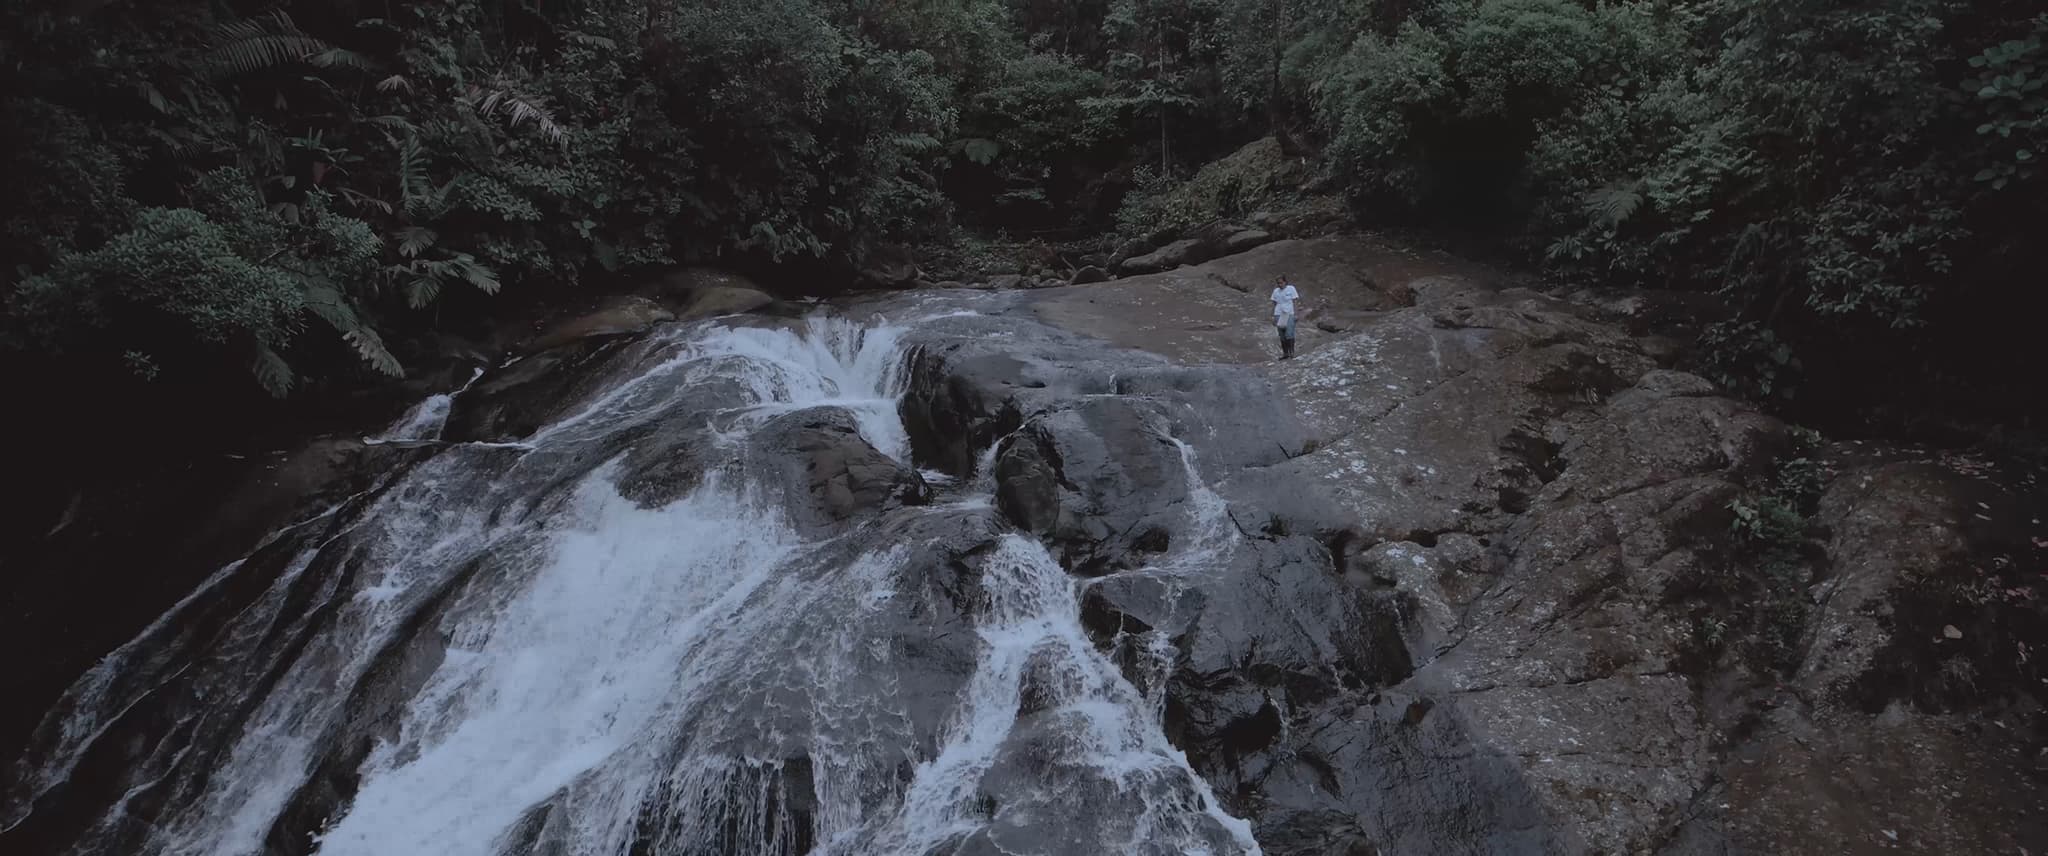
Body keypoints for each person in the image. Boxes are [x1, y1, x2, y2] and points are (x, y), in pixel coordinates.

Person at [1270, 275, 1299, 359]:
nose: (1280, 285)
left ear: (1285, 282)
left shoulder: (1291, 289)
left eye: (1281, 283)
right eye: (1278, 283)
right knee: (1282, 335)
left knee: (1289, 334)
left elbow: (1295, 301)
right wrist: (1272, 316)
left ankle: (1292, 352)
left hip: (1289, 312)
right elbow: (1274, 303)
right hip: (1278, 313)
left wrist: (1296, 314)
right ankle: (1285, 353)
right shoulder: (1276, 291)